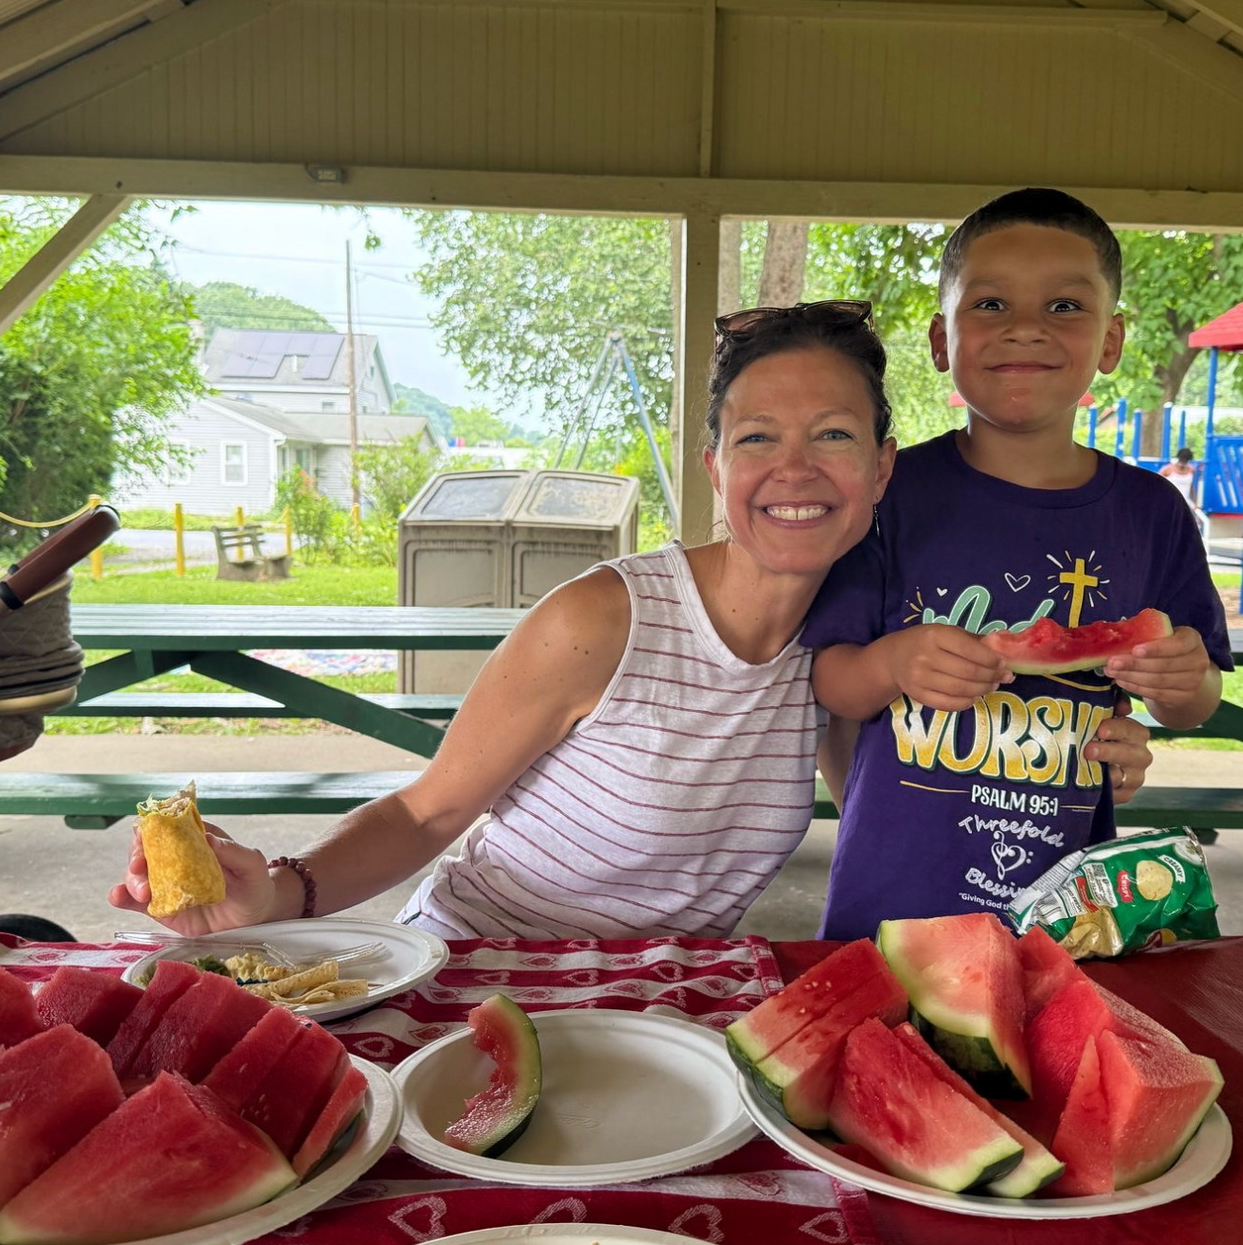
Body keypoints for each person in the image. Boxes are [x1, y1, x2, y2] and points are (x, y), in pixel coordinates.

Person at [111, 299, 1160, 941]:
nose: (794, 469)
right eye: (758, 438)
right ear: (715, 468)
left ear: (883, 467)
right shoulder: (603, 618)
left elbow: (903, 798)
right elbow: (430, 814)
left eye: (835, 434)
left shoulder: (845, 651)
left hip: (662, 1010)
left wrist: (1083, 753)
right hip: (481, 973)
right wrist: (281, 894)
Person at [803, 189, 1232, 941]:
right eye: (991, 304)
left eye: (1065, 306)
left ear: (1111, 341)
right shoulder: (885, 491)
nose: (1027, 328)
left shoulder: (1152, 513)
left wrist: (1182, 681)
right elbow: (828, 680)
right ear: (942, 341)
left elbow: (1193, 701)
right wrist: (895, 661)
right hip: (889, 905)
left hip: (1066, 910)